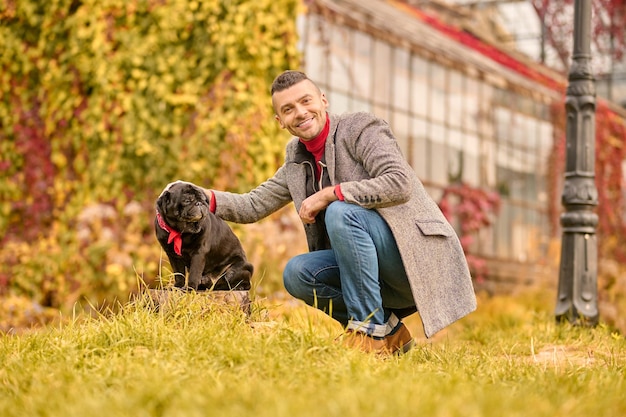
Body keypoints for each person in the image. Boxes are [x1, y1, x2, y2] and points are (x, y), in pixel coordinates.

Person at [167, 70, 476, 355]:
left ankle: (369, 333)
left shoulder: (360, 128)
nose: (300, 112)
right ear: (280, 121)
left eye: (306, 101)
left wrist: (330, 194)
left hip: (412, 262)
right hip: (371, 275)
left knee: (341, 211)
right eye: (288, 109)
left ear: (323, 100)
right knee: (298, 273)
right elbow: (253, 204)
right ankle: (389, 332)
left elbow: (399, 183)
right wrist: (200, 195)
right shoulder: (296, 159)